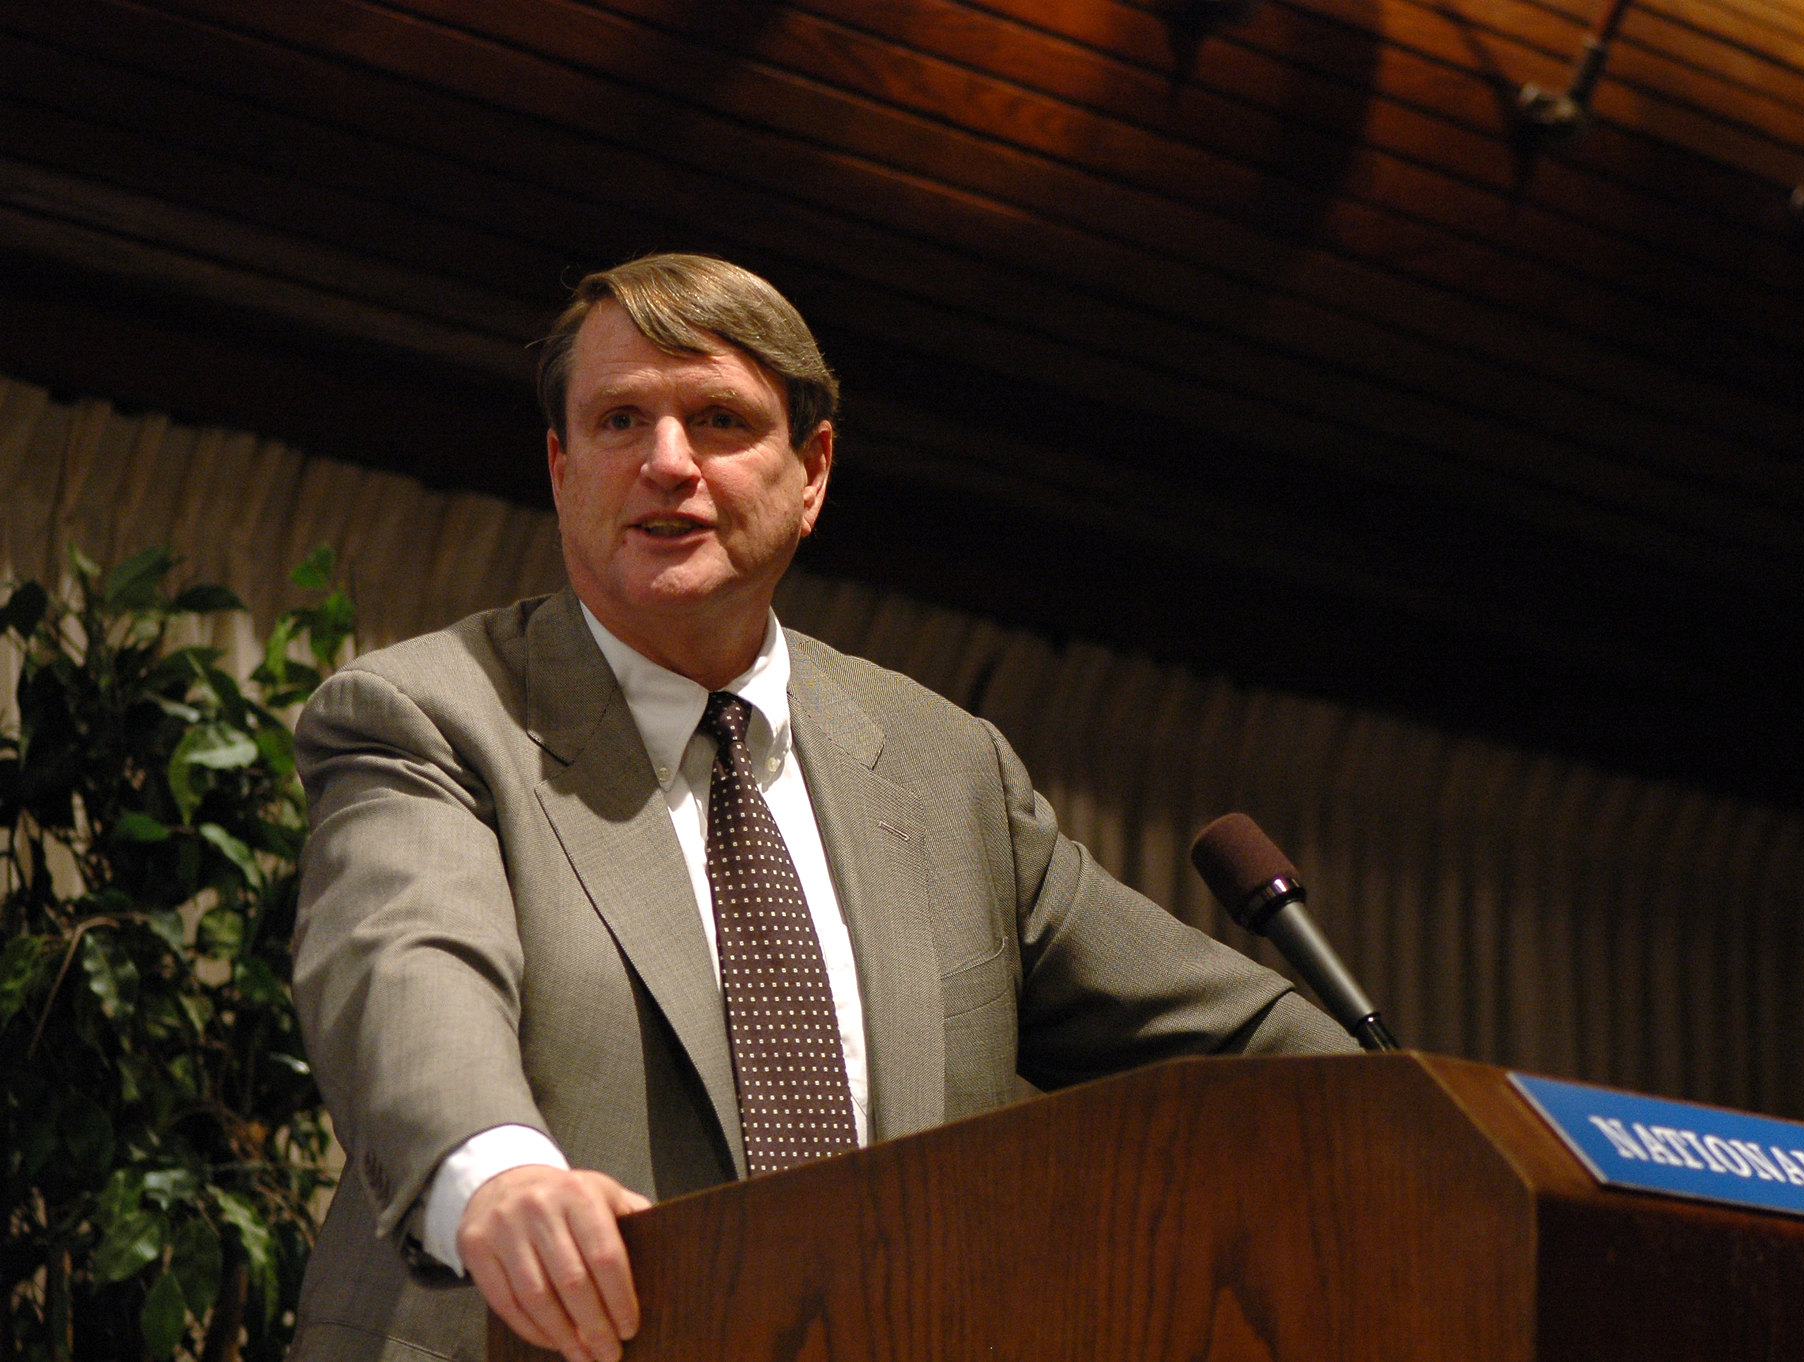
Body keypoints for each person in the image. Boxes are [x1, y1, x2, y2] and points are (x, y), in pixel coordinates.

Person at [286, 254, 1352, 1362]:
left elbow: (1243, 1043)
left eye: (717, 420)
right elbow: (403, 969)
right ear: (561, 470)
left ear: (813, 473)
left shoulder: (947, 770)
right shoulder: (429, 714)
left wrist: (1453, 1125)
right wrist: (495, 1172)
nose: (666, 463)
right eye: (618, 422)